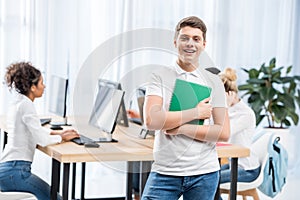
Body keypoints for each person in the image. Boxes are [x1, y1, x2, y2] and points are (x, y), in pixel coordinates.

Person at [142, 16, 230, 200]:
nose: (190, 43)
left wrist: (179, 128)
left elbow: (223, 132)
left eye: (196, 39)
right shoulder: (159, 76)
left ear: (204, 44)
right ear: (175, 42)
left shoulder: (214, 82)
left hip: (205, 174)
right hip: (165, 172)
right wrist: (196, 112)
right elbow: (152, 120)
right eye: (185, 38)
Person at [0, 62, 80, 200]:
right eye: (41, 83)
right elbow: (41, 140)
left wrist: (56, 134)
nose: (44, 86)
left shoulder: (18, 101)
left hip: (7, 169)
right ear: (32, 87)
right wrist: (62, 138)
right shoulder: (26, 105)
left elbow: (31, 131)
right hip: (16, 172)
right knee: (55, 198)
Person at [218, 68, 260, 185]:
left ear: (230, 94)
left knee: (211, 179)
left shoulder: (246, 114)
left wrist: (225, 106)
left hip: (248, 169)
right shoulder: (230, 110)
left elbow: (225, 134)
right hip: (234, 163)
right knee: (206, 175)